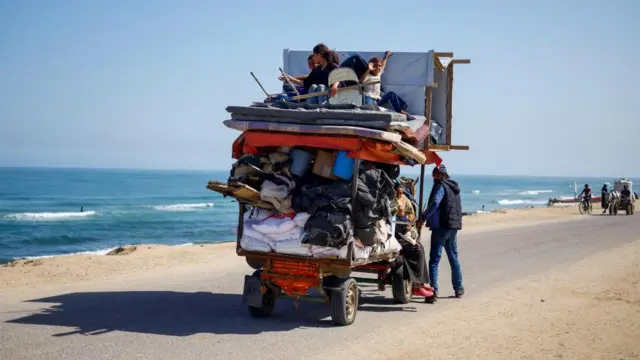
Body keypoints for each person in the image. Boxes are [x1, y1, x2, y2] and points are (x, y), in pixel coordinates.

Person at [418, 164, 464, 303]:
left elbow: (435, 203)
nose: (433, 178)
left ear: (440, 175)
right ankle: (459, 288)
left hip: (441, 227)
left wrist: (423, 218)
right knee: (453, 257)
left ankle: (434, 291)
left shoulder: (441, 186)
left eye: (435, 175)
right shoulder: (454, 188)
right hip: (453, 227)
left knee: (434, 260)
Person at [391, 182, 433, 298]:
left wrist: (406, 222)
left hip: (400, 231)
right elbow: (391, 220)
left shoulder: (404, 199)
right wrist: (404, 221)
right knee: (417, 250)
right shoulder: (390, 201)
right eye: (399, 190)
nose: (401, 193)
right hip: (396, 234)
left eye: (402, 190)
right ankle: (416, 287)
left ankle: (420, 283)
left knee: (420, 247)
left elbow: (404, 216)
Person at [359, 51, 413, 118]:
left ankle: (400, 110)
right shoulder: (368, 76)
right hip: (369, 98)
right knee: (369, 110)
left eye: (379, 66)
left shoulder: (378, 74)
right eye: (375, 66)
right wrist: (368, 70)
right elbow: (361, 81)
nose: (378, 68)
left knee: (391, 94)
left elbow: (383, 64)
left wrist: (386, 55)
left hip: (378, 100)